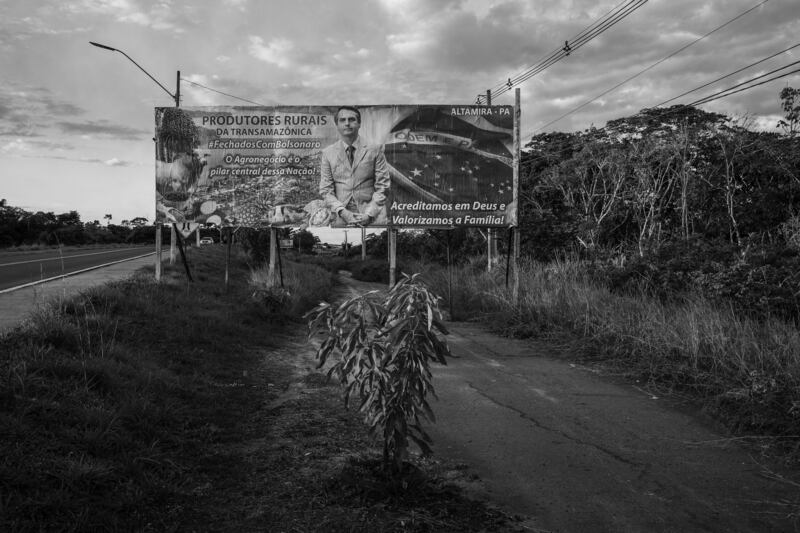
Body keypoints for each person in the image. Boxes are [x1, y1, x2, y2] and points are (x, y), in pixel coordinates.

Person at [319, 106, 389, 227]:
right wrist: (343, 212)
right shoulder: (328, 153)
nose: (347, 123)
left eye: (351, 119)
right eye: (342, 120)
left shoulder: (375, 149)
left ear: (359, 123)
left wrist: (369, 214)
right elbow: (326, 191)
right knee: (345, 246)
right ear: (337, 125)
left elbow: (383, 187)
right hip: (341, 217)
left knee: (376, 245)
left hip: (372, 217)